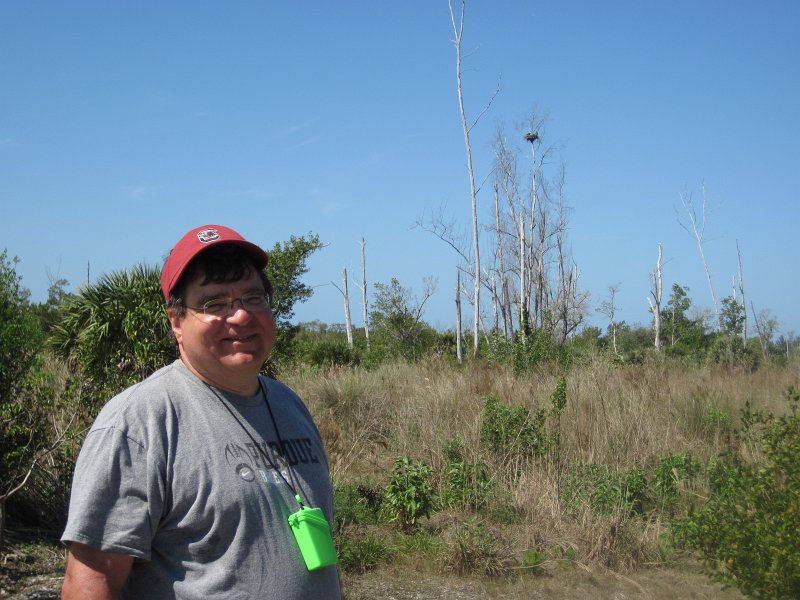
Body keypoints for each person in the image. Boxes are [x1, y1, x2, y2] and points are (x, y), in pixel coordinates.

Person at [61, 225, 341, 599]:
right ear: (176, 321)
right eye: (215, 304)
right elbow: (91, 583)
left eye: (253, 297)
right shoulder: (137, 424)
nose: (240, 316)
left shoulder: (290, 404)